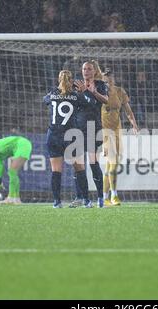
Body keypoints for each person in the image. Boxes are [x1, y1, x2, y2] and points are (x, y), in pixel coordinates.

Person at [44, 70, 93, 208]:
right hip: (72, 135)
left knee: (56, 170)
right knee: (79, 168)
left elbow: (45, 100)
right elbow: (89, 105)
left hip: (53, 135)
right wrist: (84, 91)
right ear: (71, 81)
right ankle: (86, 201)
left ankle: (57, 202)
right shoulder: (76, 96)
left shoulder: (53, 93)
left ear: (59, 79)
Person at [70, 60, 108, 208]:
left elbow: (105, 100)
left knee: (92, 163)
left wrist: (92, 92)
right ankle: (81, 197)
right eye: (84, 69)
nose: (86, 71)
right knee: (78, 165)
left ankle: (100, 198)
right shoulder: (76, 85)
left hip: (93, 127)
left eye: (89, 69)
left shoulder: (99, 85)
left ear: (94, 71)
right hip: (77, 128)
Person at [101, 69, 139, 206]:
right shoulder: (98, 92)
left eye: (110, 77)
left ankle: (104, 197)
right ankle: (114, 195)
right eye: (106, 78)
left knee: (109, 165)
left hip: (117, 131)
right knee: (113, 162)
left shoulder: (119, 91)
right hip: (104, 132)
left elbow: (127, 110)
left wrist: (133, 123)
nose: (108, 80)